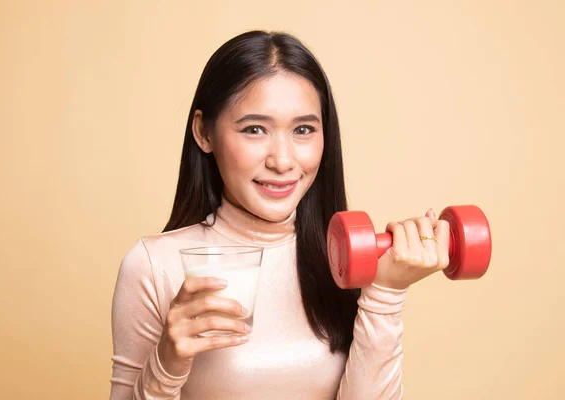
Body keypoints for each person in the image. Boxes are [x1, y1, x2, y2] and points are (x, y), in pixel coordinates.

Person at [109, 30, 450, 400]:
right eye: (255, 129)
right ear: (203, 133)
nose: (283, 161)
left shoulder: (344, 261)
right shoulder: (153, 267)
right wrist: (166, 364)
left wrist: (385, 292)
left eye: (303, 129)